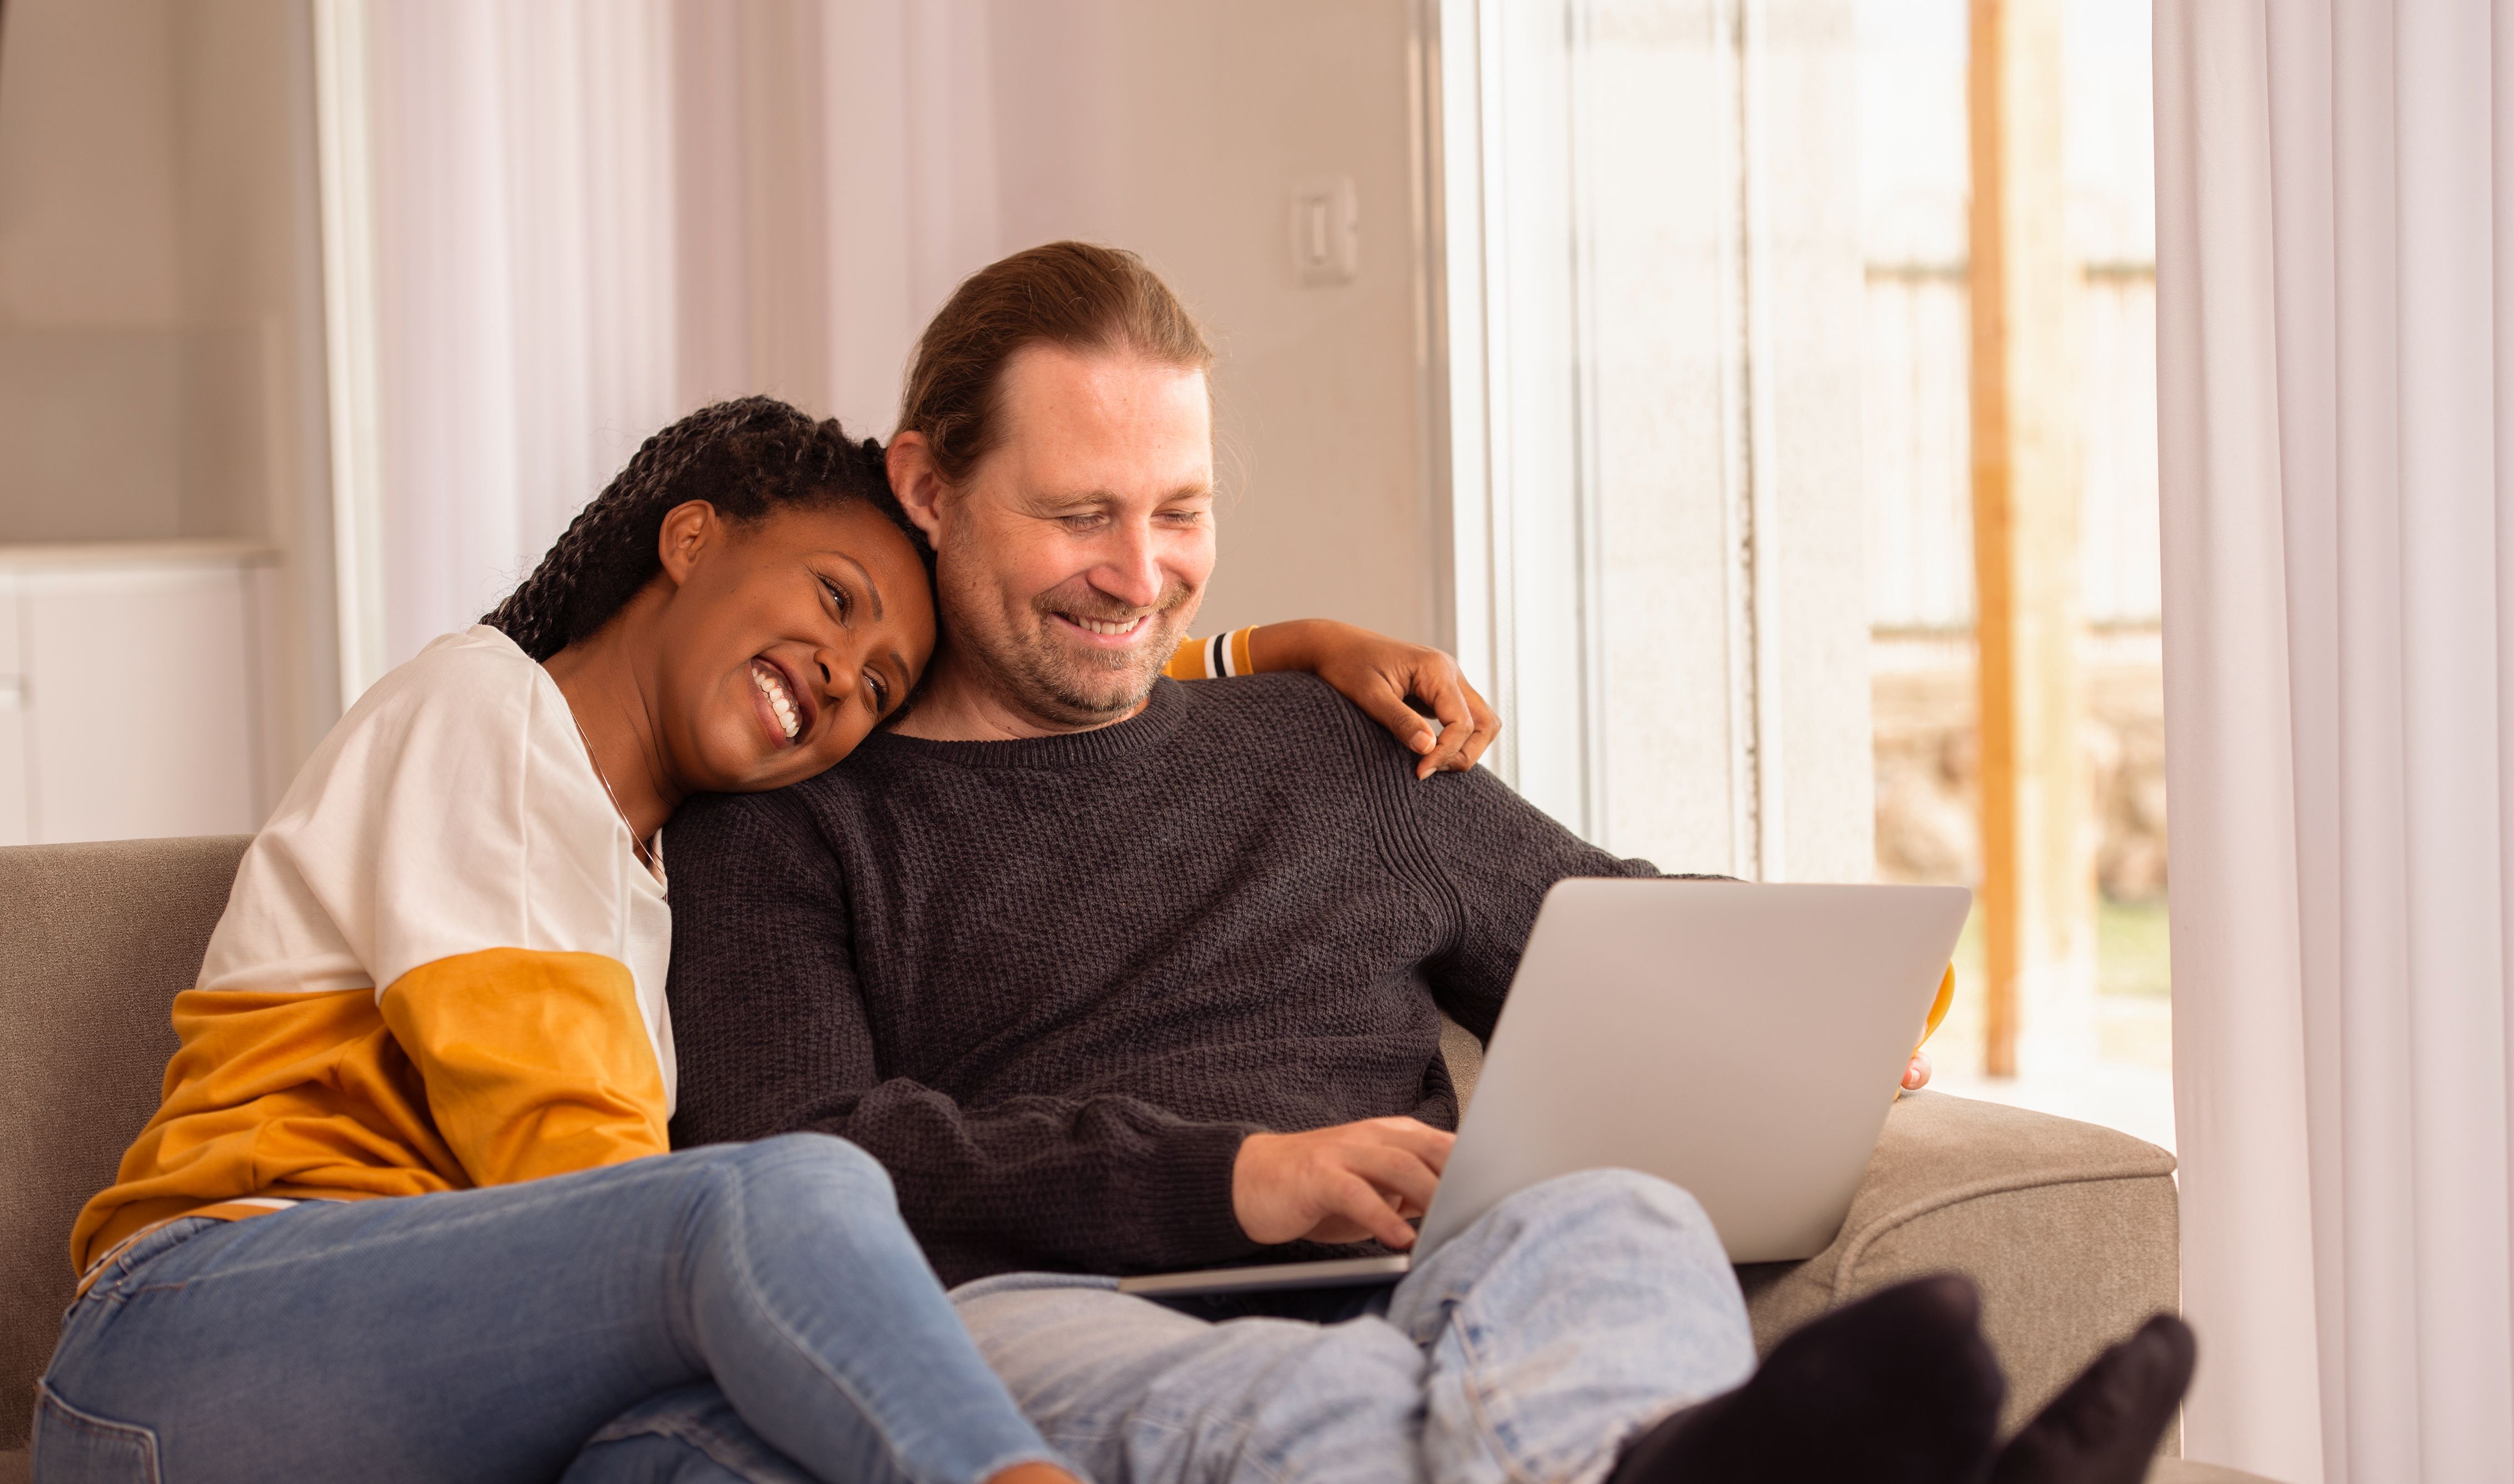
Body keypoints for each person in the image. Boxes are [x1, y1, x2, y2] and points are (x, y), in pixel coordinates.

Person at [661, 244, 2197, 1484]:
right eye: (1081, 516)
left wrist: (1825, 1015)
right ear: (929, 487)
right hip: (1050, 1308)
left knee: (1629, 1229)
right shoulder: (795, 813)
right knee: (1333, 1407)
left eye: (1180, 512)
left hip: (1445, 1275)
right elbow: (796, 1174)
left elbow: (1605, 928)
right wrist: (1240, 1180)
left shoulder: (1333, 747)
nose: (1142, 576)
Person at [34, 394, 1503, 1484]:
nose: (845, 677)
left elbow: (1022, 683)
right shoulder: (482, 715)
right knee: (776, 1200)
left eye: (879, 679)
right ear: (691, 540)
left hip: (459, 1392)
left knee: (716, 1465)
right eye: (832, 599)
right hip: (195, 1352)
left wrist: (1274, 651)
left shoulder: (683, 854)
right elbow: (577, 1168)